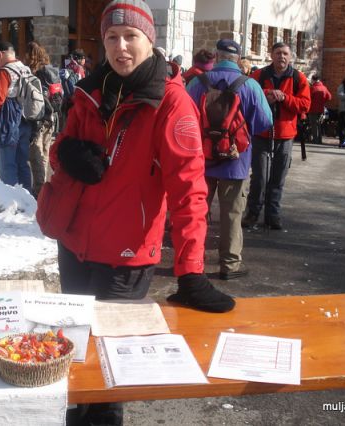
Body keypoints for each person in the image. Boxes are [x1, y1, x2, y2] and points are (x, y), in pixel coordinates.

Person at [39, 2, 235, 423]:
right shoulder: (92, 89)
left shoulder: (170, 103)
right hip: (74, 245)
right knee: (75, 356)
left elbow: (189, 194)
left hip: (125, 258)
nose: (121, 46)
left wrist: (191, 271)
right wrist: (68, 153)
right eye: (112, 37)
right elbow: (60, 147)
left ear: (151, 40)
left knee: (111, 371)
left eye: (131, 37)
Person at [187, 39, 272, 280]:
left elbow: (181, 116)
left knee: (196, 212)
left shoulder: (197, 82)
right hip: (236, 161)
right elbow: (266, 122)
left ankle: (193, 262)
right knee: (232, 215)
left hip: (201, 160)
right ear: (238, 58)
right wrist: (243, 133)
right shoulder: (250, 86)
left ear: (216, 55)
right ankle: (230, 265)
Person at [242, 42, 311, 230]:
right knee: (259, 177)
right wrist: (268, 94)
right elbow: (248, 95)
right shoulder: (259, 75)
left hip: (286, 134)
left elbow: (305, 105)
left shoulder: (299, 78)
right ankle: (252, 213)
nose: (282, 56)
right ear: (271, 55)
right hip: (262, 133)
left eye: (285, 53)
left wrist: (285, 98)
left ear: (290, 57)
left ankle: (272, 215)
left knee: (278, 177)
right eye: (278, 53)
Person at [0, 41, 34, 190]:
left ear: (1, 54)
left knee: (7, 164)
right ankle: (27, 197)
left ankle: (11, 199)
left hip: (9, 121)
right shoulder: (25, 69)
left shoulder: (4, 72)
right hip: (26, 119)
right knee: (23, 162)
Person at [25, 41, 62, 196]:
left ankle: (39, 190)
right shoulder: (52, 71)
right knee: (44, 153)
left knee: (36, 155)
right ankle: (44, 186)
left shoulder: (36, 73)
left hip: (40, 118)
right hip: (52, 117)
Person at [307, 75, 332, 144]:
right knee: (319, 125)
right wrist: (323, 101)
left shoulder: (312, 88)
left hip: (312, 109)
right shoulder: (324, 88)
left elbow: (308, 98)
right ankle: (319, 139)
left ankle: (315, 140)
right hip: (321, 109)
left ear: (313, 80)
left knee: (314, 125)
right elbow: (329, 97)